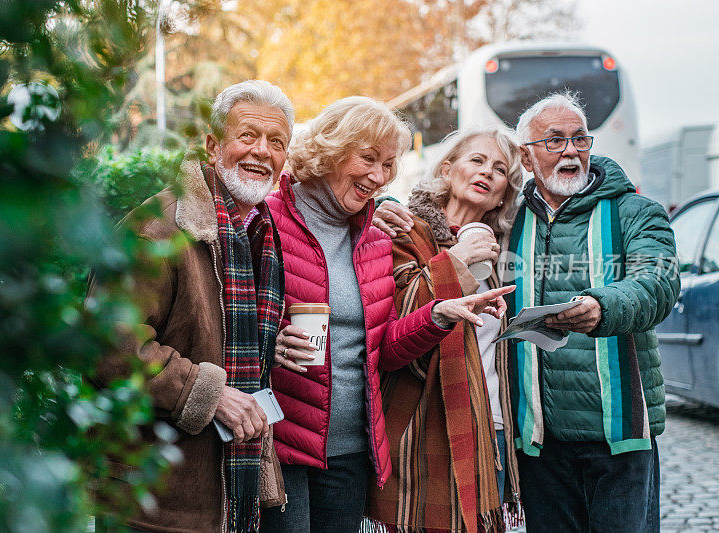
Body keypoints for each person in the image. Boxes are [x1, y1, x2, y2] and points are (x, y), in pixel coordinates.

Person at [260, 97, 514, 533]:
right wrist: (272, 342)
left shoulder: (376, 236)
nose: (378, 177)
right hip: (282, 441)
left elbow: (385, 351)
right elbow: (230, 314)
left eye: (388, 166)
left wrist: (438, 315)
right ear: (332, 150)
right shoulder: (267, 217)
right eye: (368, 159)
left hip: (351, 450)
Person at [91, 80, 294, 532]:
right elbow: (107, 345)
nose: (262, 151)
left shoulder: (259, 233)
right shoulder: (156, 227)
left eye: (276, 142)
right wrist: (207, 393)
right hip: (153, 497)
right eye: (248, 136)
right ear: (212, 145)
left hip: (226, 491)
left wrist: (273, 347)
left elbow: (216, 334)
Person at [507, 92, 679, 532]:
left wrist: (602, 307)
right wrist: (390, 211)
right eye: (555, 141)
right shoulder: (509, 221)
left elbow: (657, 284)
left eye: (580, 140)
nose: (570, 151)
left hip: (619, 441)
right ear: (527, 158)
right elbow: (448, 206)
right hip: (540, 444)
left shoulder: (636, 212)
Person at [366, 129, 524, 532]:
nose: (487, 172)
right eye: (477, 160)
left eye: (500, 169)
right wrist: (456, 260)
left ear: (504, 194)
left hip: (491, 427)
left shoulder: (506, 250)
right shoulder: (401, 228)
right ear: (448, 168)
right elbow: (398, 322)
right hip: (420, 424)